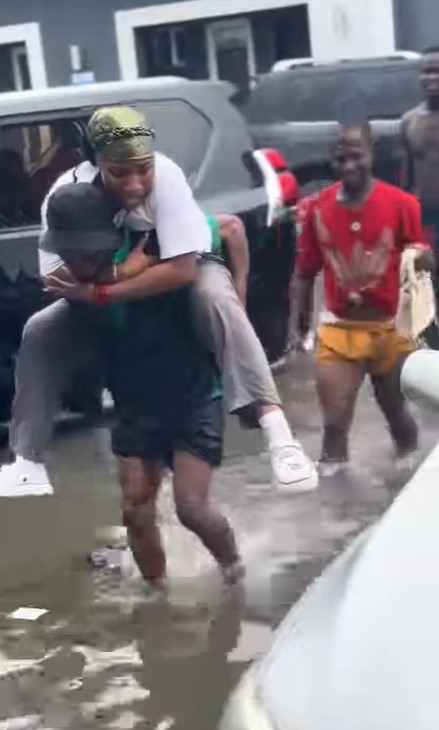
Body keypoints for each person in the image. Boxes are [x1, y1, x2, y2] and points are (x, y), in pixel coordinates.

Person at [0, 106, 317, 498]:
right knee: (42, 327)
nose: (135, 184)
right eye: (120, 172)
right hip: (125, 302)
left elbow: (184, 269)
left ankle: (280, 436)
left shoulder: (167, 179)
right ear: (95, 165)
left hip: (185, 271)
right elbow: (54, 278)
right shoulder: (65, 200)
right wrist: (120, 272)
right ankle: (28, 461)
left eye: (142, 169)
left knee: (215, 297)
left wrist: (105, 287)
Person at [42, 181, 242, 589]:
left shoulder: (155, 248)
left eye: (77, 249)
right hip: (135, 404)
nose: (68, 259)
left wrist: (235, 303)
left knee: (191, 508)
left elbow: (232, 228)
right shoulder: (72, 285)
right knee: (134, 507)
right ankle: (158, 596)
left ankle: (235, 573)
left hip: (194, 395)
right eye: (63, 249)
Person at [291, 123, 434, 475]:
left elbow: (425, 265)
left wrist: (420, 258)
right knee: (334, 426)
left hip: (392, 330)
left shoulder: (402, 204)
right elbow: (304, 272)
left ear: (371, 155)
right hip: (339, 332)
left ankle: (408, 484)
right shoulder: (318, 209)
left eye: (356, 156)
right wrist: (295, 327)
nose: (348, 165)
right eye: (340, 158)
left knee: (396, 417)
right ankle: (334, 515)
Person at [401, 47, 439, 347]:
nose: (431, 77)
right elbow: (407, 179)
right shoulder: (409, 120)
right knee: (427, 291)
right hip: (425, 221)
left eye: (437, 70)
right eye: (426, 71)